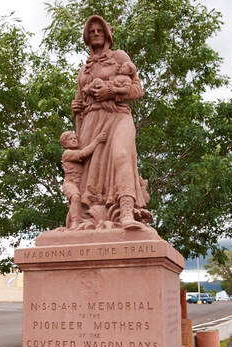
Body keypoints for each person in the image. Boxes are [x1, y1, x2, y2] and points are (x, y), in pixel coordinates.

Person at [71, 15, 151, 230]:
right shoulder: (84, 69)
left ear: (107, 34)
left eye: (99, 30)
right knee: (92, 171)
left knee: (122, 156)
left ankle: (126, 213)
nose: (95, 33)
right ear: (86, 38)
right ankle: (89, 218)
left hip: (118, 115)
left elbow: (137, 90)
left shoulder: (119, 56)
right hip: (91, 121)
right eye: (91, 31)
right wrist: (76, 108)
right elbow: (79, 99)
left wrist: (112, 91)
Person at [60, 130, 107, 230]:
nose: (74, 140)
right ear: (65, 143)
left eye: (75, 138)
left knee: (81, 203)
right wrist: (97, 141)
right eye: (70, 139)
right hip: (70, 183)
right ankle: (74, 223)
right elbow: (83, 153)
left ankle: (83, 220)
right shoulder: (67, 153)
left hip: (81, 183)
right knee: (75, 197)